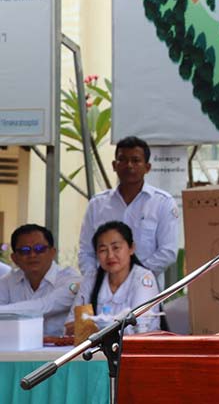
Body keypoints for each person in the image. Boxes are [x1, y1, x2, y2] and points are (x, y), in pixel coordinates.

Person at [78, 136, 179, 287]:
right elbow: (86, 251)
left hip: (146, 290)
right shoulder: (97, 204)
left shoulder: (162, 203)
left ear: (147, 167)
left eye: (136, 160)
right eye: (123, 160)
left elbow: (168, 252)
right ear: (114, 165)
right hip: (104, 289)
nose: (129, 165)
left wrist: (133, 276)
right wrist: (96, 280)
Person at [66, 221, 160, 335]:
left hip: (138, 345)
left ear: (131, 248)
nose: (110, 255)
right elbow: (70, 326)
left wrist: (91, 326)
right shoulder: (91, 279)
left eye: (116, 248)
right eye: (103, 250)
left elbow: (138, 326)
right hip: (99, 346)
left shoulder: (144, 278)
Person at [0, 224, 81, 336]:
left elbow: (45, 306)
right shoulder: (6, 282)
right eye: (25, 250)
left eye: (39, 249)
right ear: (14, 258)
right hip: (15, 346)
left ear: (52, 252)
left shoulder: (71, 281)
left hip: (61, 346)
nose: (32, 255)